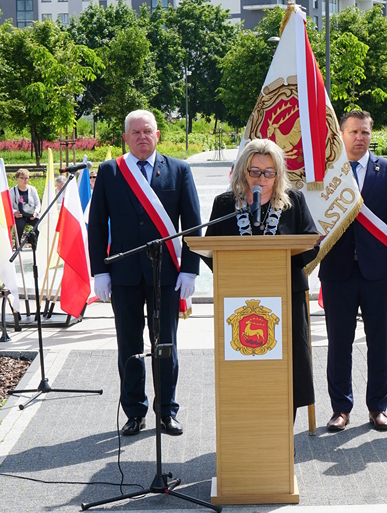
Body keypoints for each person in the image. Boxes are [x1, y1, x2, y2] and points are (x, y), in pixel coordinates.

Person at [88, 109, 201, 436]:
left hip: (166, 275)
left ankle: (167, 411)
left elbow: (192, 225)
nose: (141, 137)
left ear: (158, 135)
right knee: (129, 346)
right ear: (125, 137)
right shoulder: (110, 171)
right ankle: (135, 412)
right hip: (122, 276)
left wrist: (190, 270)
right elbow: (97, 226)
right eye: (135, 132)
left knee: (166, 345)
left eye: (147, 131)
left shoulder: (179, 170)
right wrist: (100, 271)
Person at [204, 139, 320, 418]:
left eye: (270, 172)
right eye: (255, 171)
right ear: (243, 171)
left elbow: (311, 243)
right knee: (245, 370)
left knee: (286, 369)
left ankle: (282, 439)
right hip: (238, 301)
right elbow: (209, 249)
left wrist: (279, 261)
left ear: (278, 174)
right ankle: (245, 434)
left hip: (286, 299)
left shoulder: (294, 202)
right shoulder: (224, 204)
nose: (262, 178)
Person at [320, 110, 387, 432]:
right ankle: (341, 409)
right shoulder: (328, 172)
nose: (360, 138)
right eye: (354, 132)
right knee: (339, 344)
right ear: (341, 134)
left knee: (380, 344)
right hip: (337, 272)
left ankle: (378, 408)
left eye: (365, 133)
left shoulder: (386, 170)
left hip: (378, 272)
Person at [9, 168, 41, 243]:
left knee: (39, 224)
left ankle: (36, 242)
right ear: (17, 178)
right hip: (19, 215)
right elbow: (9, 205)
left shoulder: (32, 189)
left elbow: (37, 203)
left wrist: (36, 213)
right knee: (19, 224)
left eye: (26, 178)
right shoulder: (12, 191)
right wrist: (14, 212)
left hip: (31, 214)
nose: (25, 180)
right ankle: (18, 244)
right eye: (22, 178)